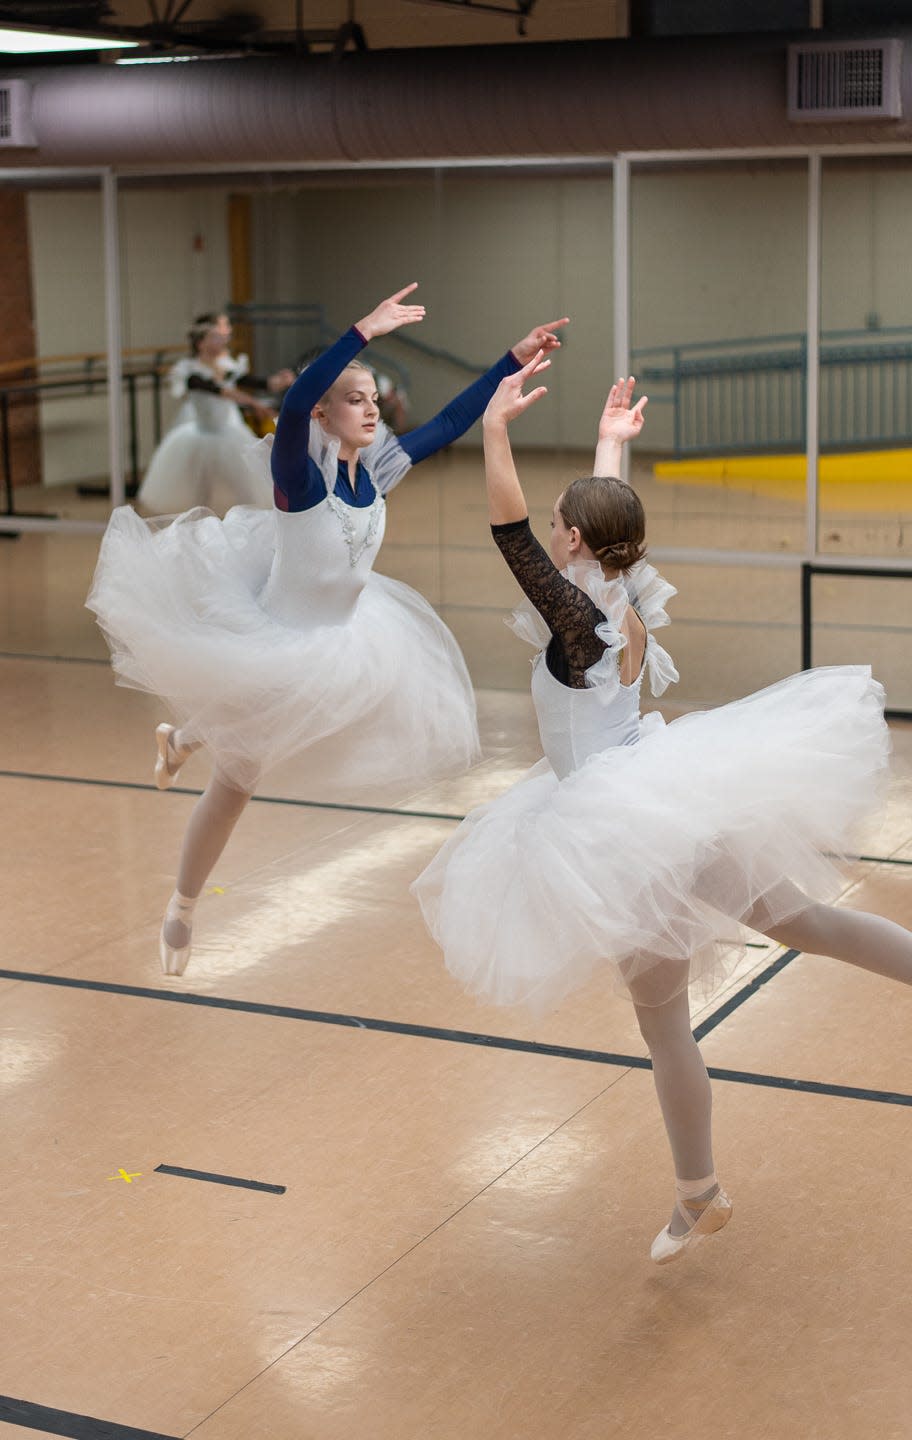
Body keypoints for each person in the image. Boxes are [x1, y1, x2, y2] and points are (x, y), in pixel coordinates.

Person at [412, 354, 912, 1265]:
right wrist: (610, 441)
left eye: (560, 529)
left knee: (665, 1024)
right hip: (669, 794)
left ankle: (700, 1193)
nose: (553, 535)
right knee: (802, 920)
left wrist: (492, 430)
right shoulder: (624, 588)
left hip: (616, 832)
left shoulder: (575, 615)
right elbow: (606, 519)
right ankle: (698, 1191)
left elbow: (507, 529)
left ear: (568, 545)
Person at [87, 286, 569, 978]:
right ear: (323, 413)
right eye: (354, 399)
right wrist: (361, 332)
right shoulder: (298, 479)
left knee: (249, 725)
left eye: (374, 399)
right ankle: (184, 906)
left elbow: (451, 420)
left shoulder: (374, 472)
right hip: (273, 642)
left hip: (347, 639)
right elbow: (288, 405)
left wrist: (509, 361)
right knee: (235, 784)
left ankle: (180, 738)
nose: (372, 409)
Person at [137, 311, 295, 515]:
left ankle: (252, 520)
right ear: (200, 343)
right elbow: (220, 390)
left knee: (243, 484)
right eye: (215, 336)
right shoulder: (190, 372)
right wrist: (256, 404)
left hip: (227, 434)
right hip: (202, 436)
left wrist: (277, 381)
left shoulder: (225, 366)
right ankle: (198, 524)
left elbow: (249, 381)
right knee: (200, 489)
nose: (222, 339)